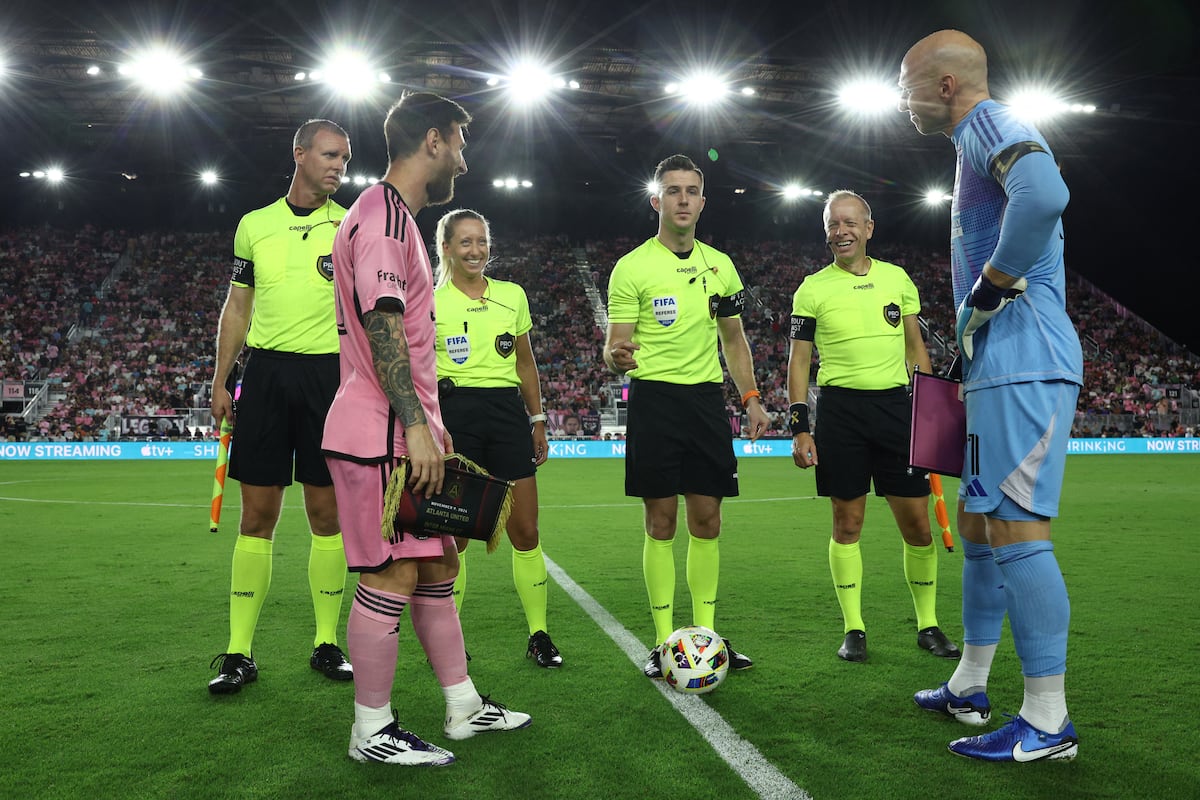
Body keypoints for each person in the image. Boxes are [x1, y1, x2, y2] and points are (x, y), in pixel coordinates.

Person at [321, 92, 530, 766]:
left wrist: (426, 430)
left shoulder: (395, 218)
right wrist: (413, 425)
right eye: (461, 145)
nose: (464, 162)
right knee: (389, 576)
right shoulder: (382, 216)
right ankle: (372, 730)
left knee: (438, 563)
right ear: (433, 141)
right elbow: (383, 321)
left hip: (405, 428)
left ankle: (464, 707)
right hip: (382, 430)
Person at [899, 30, 1083, 762]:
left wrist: (994, 282)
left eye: (908, 83)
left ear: (945, 84)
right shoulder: (971, 142)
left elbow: (1046, 194)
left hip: (1024, 359)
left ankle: (1047, 722)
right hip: (992, 366)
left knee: (1016, 532)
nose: (902, 101)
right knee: (979, 533)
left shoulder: (989, 123)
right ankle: (970, 683)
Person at [604, 154, 770, 680]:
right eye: (671, 190)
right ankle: (662, 643)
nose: (681, 199)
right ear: (656, 201)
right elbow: (614, 344)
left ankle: (706, 638)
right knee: (661, 521)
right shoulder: (631, 268)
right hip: (653, 399)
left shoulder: (721, 266)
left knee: (707, 519)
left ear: (702, 201)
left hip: (704, 401)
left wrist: (750, 397)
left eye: (690, 190)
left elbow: (733, 338)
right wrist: (617, 357)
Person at [207, 119, 354, 695]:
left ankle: (325, 642)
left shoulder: (349, 226)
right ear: (299, 154)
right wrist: (222, 379)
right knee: (257, 517)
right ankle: (238, 653)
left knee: (326, 517)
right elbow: (237, 308)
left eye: (344, 157)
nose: (338, 166)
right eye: (328, 154)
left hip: (329, 380)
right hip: (265, 376)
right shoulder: (254, 226)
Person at [787, 190, 960, 664]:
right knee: (848, 522)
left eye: (849, 223)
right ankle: (854, 628)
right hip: (840, 413)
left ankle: (928, 625)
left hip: (896, 411)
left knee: (918, 527)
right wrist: (801, 424)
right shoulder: (812, 288)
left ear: (868, 228)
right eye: (831, 225)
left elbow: (915, 349)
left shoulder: (897, 280)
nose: (840, 232)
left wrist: (932, 414)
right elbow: (799, 361)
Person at [431, 208, 561, 668]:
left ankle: (540, 635)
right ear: (445, 248)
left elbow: (525, 363)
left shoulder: (512, 296)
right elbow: (419, 371)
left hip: (507, 415)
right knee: (456, 538)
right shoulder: (429, 301)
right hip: (455, 418)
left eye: (481, 241)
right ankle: (449, 638)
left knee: (525, 531)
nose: (475, 250)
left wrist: (538, 418)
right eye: (464, 242)